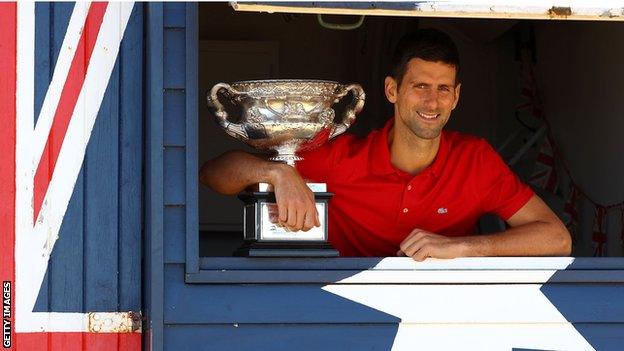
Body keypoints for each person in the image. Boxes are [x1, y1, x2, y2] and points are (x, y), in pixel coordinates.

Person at [200, 28, 571, 260]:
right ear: (392, 90)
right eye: (420, 86)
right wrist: (277, 172)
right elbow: (215, 174)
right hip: (351, 321)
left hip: (446, 324)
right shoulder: (342, 158)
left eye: (443, 89)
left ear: (456, 97)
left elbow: (556, 238)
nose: (432, 102)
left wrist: (459, 246)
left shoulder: (475, 160)